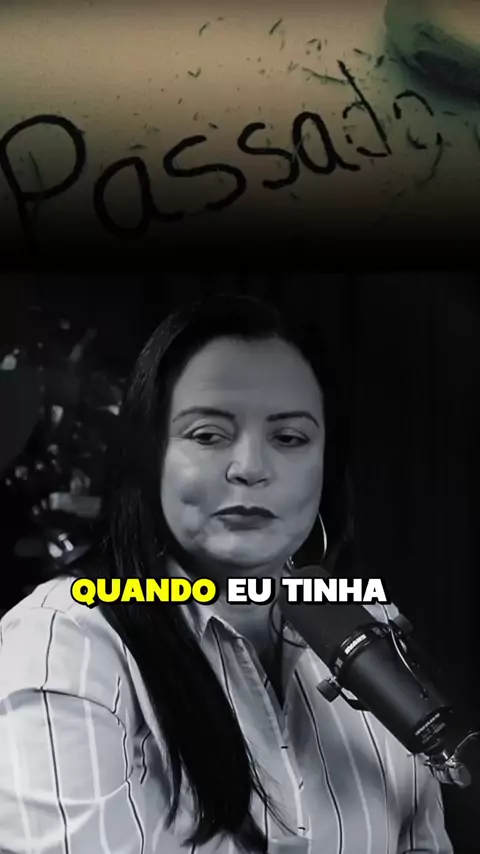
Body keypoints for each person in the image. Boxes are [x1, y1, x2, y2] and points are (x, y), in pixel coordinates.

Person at [0, 294, 452, 854]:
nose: (250, 468)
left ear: (326, 464)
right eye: (208, 435)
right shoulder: (63, 642)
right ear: (151, 456)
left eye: (289, 438)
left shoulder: (372, 627)